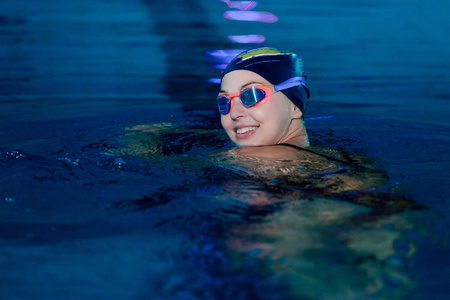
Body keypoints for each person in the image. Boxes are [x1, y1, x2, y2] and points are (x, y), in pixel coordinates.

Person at [217, 47, 310, 153]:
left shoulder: (249, 161)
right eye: (224, 101)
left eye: (251, 95)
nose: (234, 113)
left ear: (294, 106)